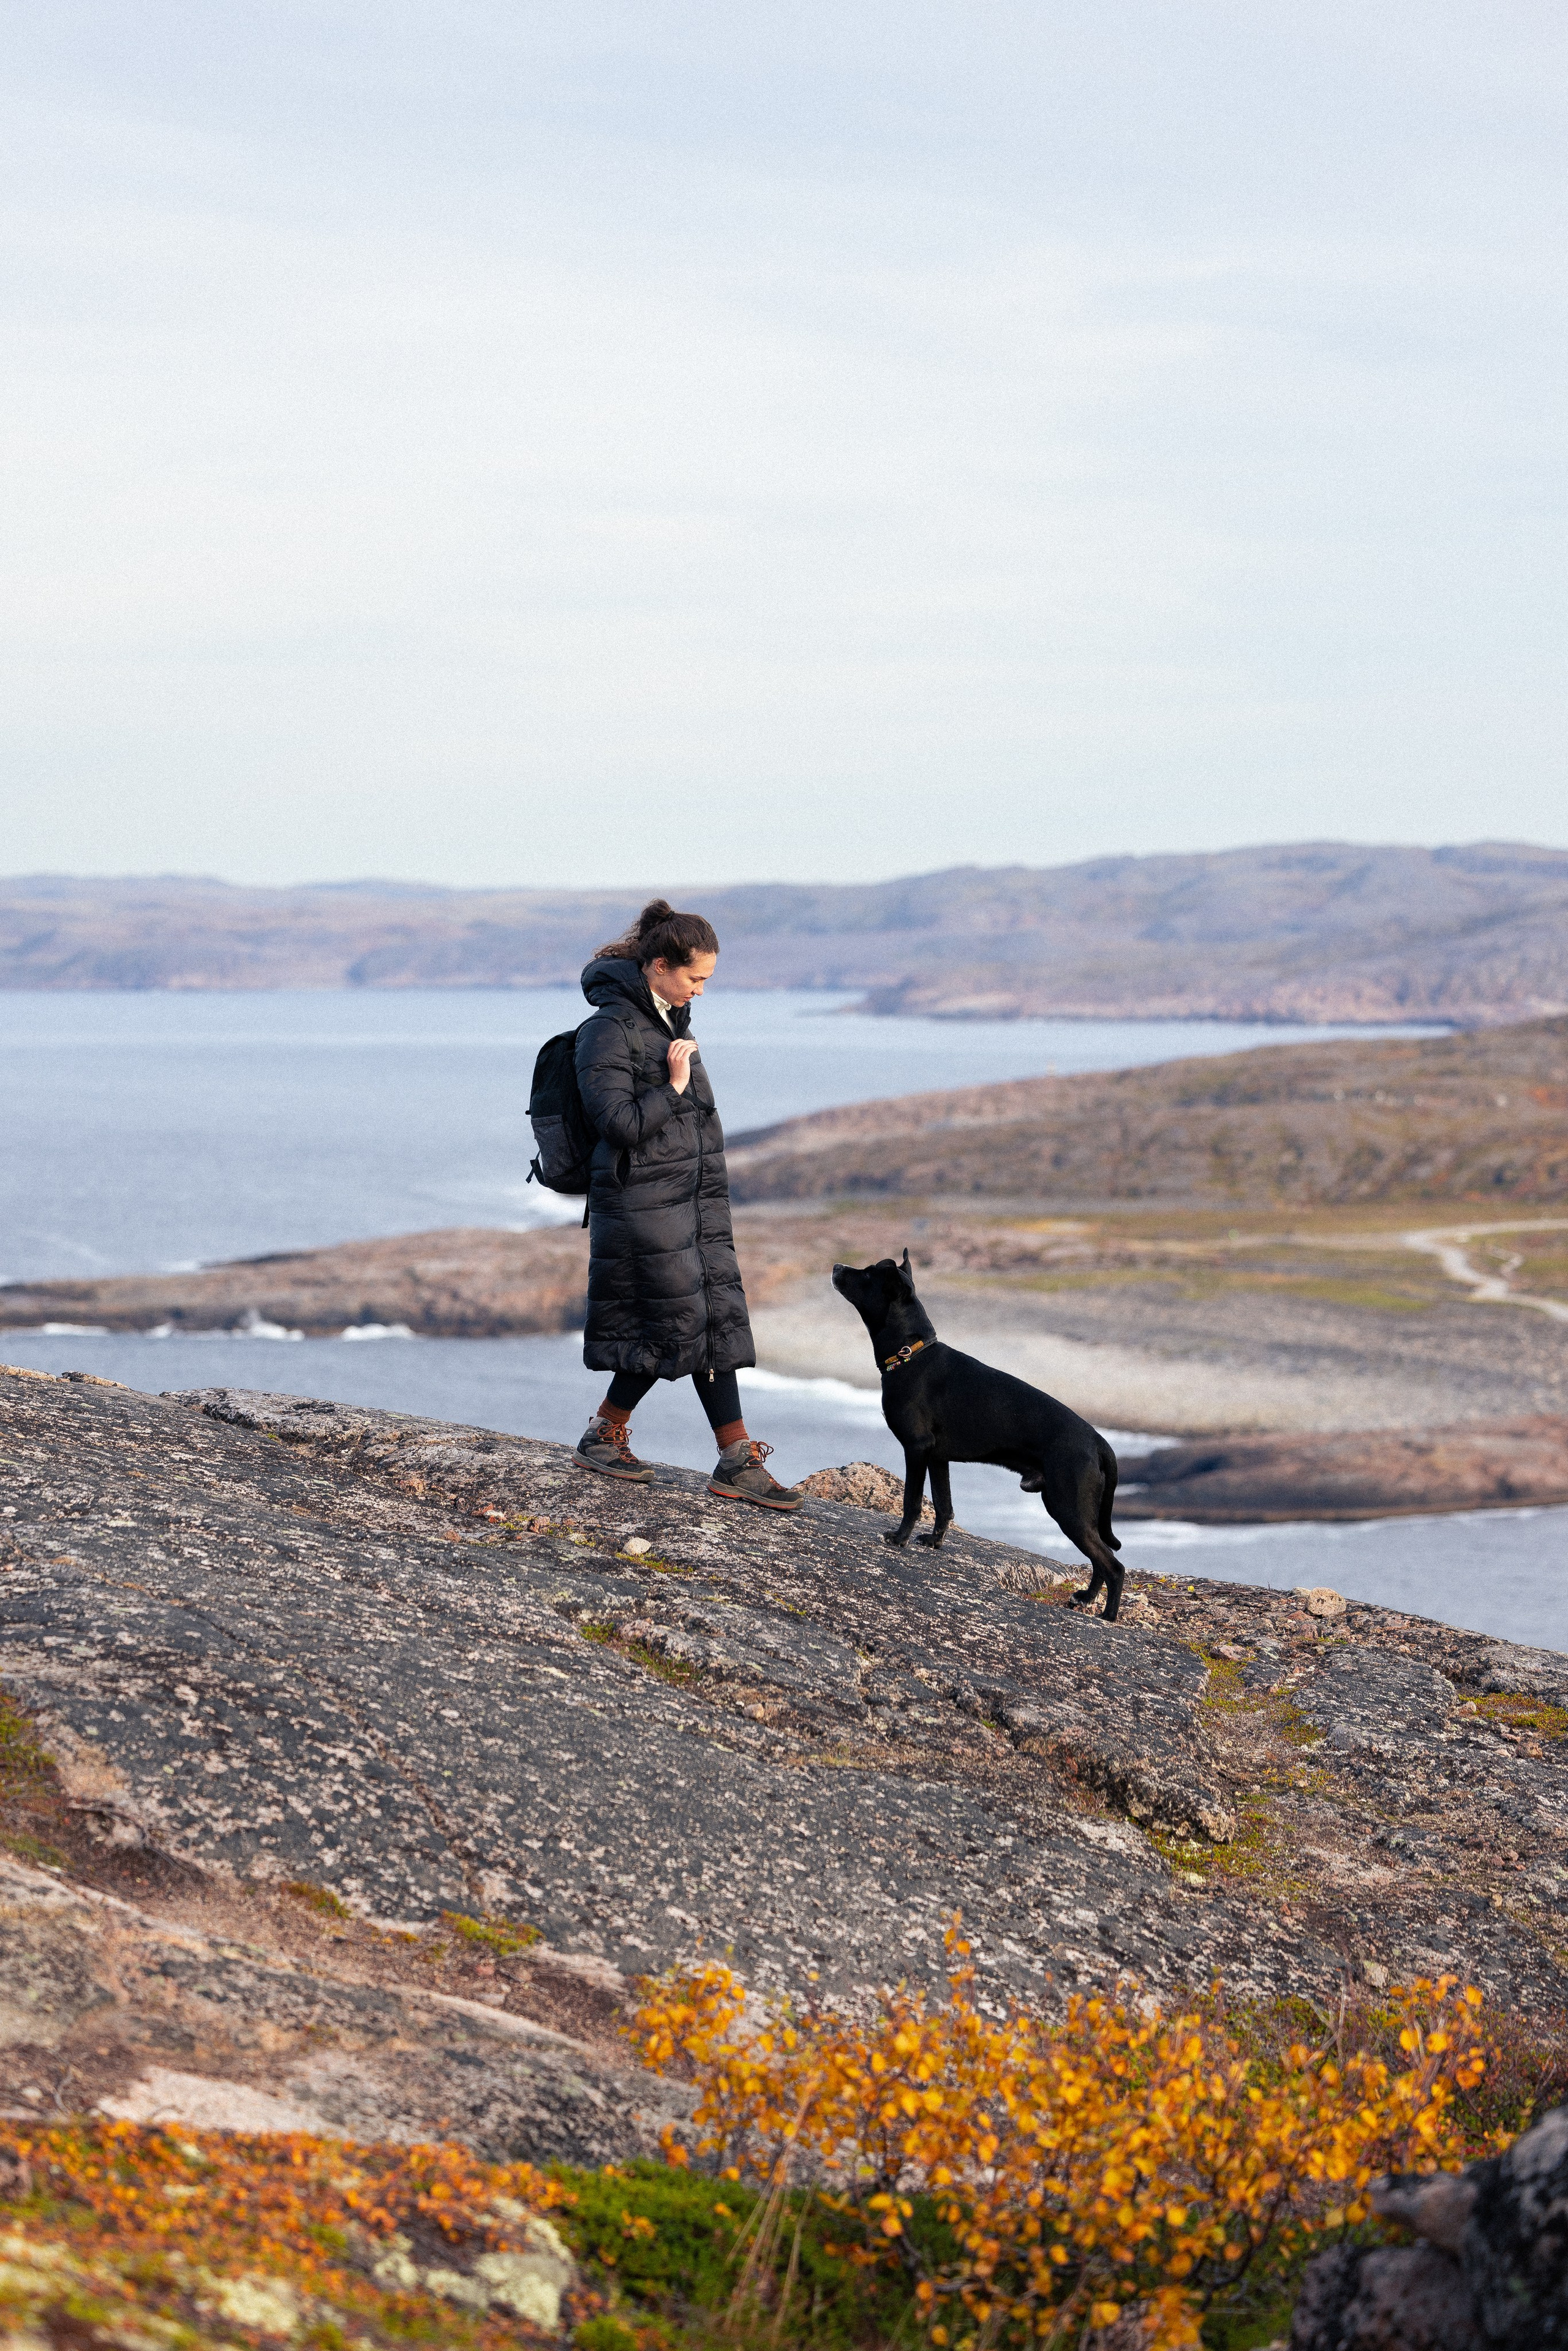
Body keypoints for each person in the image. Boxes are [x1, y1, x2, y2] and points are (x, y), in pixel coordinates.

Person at [571, 899, 802, 1511]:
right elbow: (617, 1123)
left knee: (699, 1323)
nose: (701, 990)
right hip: (641, 1207)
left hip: (689, 1204)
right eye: (695, 977)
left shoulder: (672, 1022)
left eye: (706, 979)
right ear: (656, 966)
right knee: (689, 1323)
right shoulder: (607, 1030)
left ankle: (612, 1434)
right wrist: (673, 1088)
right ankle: (729, 1457)